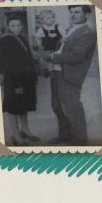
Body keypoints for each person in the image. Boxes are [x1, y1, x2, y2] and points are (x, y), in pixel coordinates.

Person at [50, 5, 97, 144]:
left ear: (86, 15)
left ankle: (80, 140)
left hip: (70, 75)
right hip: (56, 72)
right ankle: (65, 135)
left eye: (77, 12)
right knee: (57, 106)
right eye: (71, 12)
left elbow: (77, 56)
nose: (73, 15)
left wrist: (52, 57)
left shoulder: (88, 33)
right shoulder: (69, 29)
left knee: (72, 108)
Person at [0, 13, 39, 145]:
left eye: (18, 25)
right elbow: (7, 64)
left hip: (25, 78)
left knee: (23, 106)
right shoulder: (6, 40)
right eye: (13, 26)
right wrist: (16, 85)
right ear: (8, 26)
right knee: (13, 108)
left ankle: (26, 131)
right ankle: (15, 136)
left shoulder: (21, 38)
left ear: (22, 26)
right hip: (14, 80)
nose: (16, 28)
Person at [34, 9, 70, 141]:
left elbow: (64, 39)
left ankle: (66, 132)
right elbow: (38, 43)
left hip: (58, 59)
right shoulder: (41, 30)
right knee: (56, 102)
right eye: (47, 18)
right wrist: (41, 50)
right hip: (50, 59)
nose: (50, 20)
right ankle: (65, 132)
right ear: (42, 20)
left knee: (59, 103)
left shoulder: (59, 27)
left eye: (52, 18)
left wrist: (59, 51)